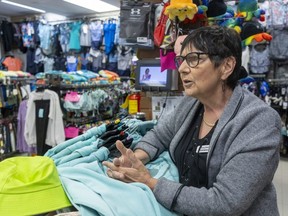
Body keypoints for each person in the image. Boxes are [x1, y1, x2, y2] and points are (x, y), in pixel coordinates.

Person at [103, 26, 281, 216]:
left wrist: (150, 182)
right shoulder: (191, 104)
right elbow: (160, 135)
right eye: (181, 60)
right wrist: (135, 158)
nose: (181, 68)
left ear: (227, 66)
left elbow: (224, 203)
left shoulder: (259, 122)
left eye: (194, 59)